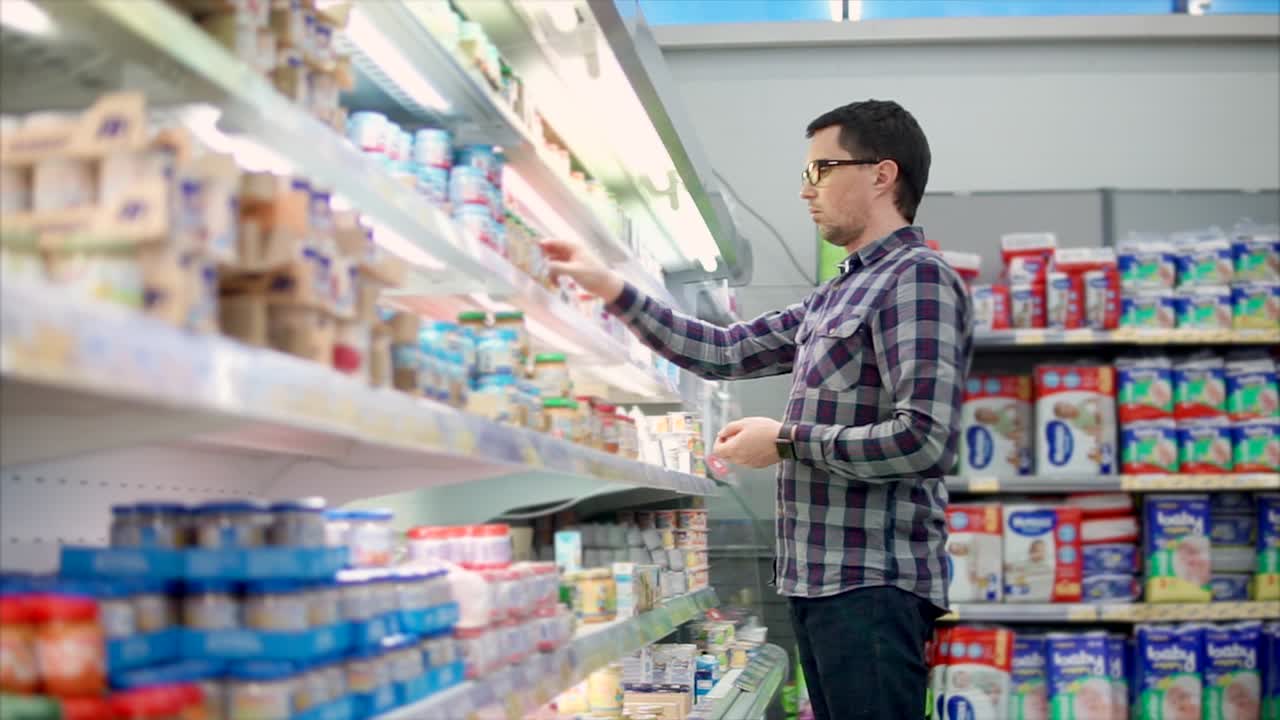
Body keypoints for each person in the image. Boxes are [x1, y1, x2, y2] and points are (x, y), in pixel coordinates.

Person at [541, 99, 973, 720]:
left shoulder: (916, 279)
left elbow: (925, 440)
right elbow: (723, 349)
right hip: (820, 583)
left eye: (821, 170)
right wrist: (613, 290)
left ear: (882, 175)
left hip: (872, 585)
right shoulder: (838, 292)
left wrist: (787, 441)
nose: (806, 190)